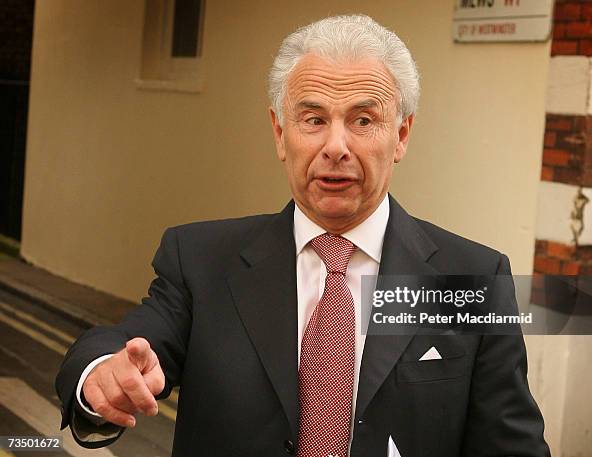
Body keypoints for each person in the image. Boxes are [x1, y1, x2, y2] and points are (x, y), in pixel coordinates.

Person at [56, 14, 550, 457]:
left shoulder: (473, 277)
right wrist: (101, 372)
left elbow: (510, 443)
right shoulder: (201, 260)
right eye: (313, 120)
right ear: (279, 132)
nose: (336, 147)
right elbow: (129, 342)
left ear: (401, 135)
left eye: (363, 120)